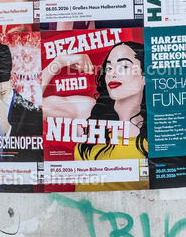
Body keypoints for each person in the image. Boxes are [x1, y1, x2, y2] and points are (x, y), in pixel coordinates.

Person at [42, 39, 147, 190]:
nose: (112, 74)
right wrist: (59, 62)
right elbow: (24, 106)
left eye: (124, 66)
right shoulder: (88, 112)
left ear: (144, 76)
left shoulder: (156, 128)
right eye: (109, 68)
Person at [0, 42, 42, 156]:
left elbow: (34, 153)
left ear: (11, 72)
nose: (1, 87)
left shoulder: (32, 112)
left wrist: (8, 129)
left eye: (4, 77)